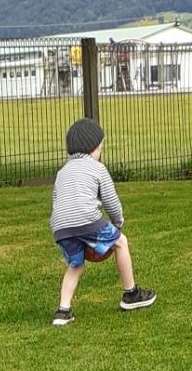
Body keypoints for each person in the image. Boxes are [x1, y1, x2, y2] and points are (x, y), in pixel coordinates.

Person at [50, 118, 156, 326]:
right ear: (94, 148)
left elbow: (57, 200)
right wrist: (117, 223)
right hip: (87, 219)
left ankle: (63, 312)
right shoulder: (98, 168)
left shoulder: (62, 172)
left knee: (75, 264)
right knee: (120, 242)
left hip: (60, 226)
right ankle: (131, 294)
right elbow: (111, 201)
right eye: (101, 147)